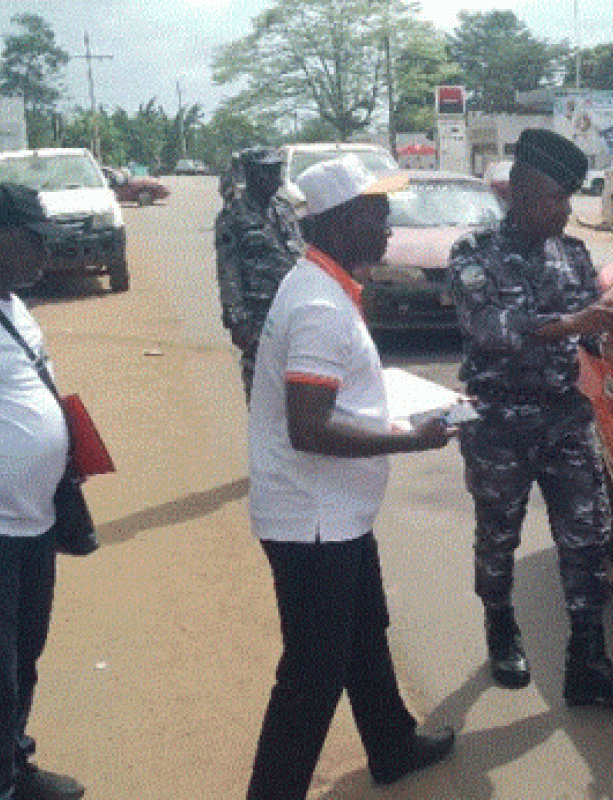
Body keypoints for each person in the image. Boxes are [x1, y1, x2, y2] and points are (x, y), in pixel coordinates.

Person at [245, 155, 455, 799]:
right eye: (375, 211)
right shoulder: (317, 305)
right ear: (338, 222)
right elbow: (308, 428)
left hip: (333, 515)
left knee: (366, 627)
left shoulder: (323, 287)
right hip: (313, 520)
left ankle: (391, 743)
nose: (389, 224)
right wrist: (409, 439)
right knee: (312, 672)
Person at [448, 128, 613, 706]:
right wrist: (574, 325)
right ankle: (501, 627)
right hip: (497, 424)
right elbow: (492, 332)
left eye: (569, 198)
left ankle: (587, 660)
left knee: (587, 538)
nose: (565, 210)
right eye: (553, 198)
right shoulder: (473, 253)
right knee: (498, 535)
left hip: (563, 419)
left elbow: (590, 338)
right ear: (516, 190)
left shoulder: (574, 254)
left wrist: (610, 346)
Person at [0, 183, 85, 800]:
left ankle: (12, 766)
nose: (44, 254)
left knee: (22, 659)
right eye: (32, 240)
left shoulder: (14, 306)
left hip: (34, 522)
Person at [214, 147, 304, 400]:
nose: (276, 179)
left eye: (277, 171)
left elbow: (300, 254)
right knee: (262, 396)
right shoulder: (233, 217)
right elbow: (227, 270)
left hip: (292, 312)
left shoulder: (285, 210)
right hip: (259, 318)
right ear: (252, 175)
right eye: (268, 172)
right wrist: (238, 321)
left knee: (296, 393)